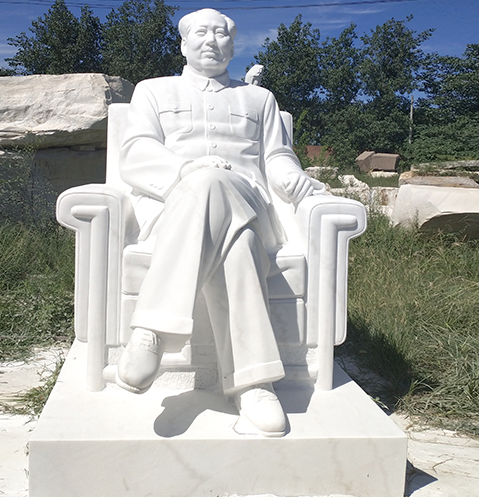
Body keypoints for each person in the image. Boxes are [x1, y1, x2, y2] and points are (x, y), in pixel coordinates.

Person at [116, 8, 325, 437]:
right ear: (183, 44)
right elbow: (135, 152)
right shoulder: (153, 91)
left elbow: (277, 155)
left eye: (220, 33)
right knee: (238, 243)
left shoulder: (259, 99)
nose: (211, 40)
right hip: (175, 205)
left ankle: (152, 329)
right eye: (201, 32)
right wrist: (185, 170)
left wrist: (295, 179)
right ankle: (254, 384)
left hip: (251, 201)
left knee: (215, 182)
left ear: (233, 45)